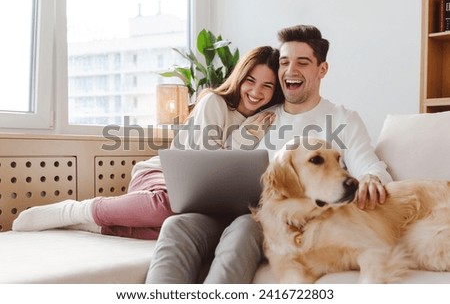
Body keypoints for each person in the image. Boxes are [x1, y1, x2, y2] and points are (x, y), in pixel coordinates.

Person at [145, 25, 392, 283]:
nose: (290, 71)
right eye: (284, 62)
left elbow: (371, 168)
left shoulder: (343, 120)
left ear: (322, 70)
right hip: (229, 211)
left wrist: (372, 178)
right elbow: (222, 165)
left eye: (302, 62)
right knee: (177, 225)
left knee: (244, 227)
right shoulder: (261, 116)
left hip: (273, 221)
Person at [12, 45, 284, 240]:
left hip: (198, 198)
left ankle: (94, 226)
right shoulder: (216, 103)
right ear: (240, 78)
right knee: (166, 207)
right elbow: (207, 164)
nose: (256, 91)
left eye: (267, 86)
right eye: (250, 80)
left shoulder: (267, 120)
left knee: (178, 226)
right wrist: (244, 136)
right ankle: (75, 210)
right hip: (161, 178)